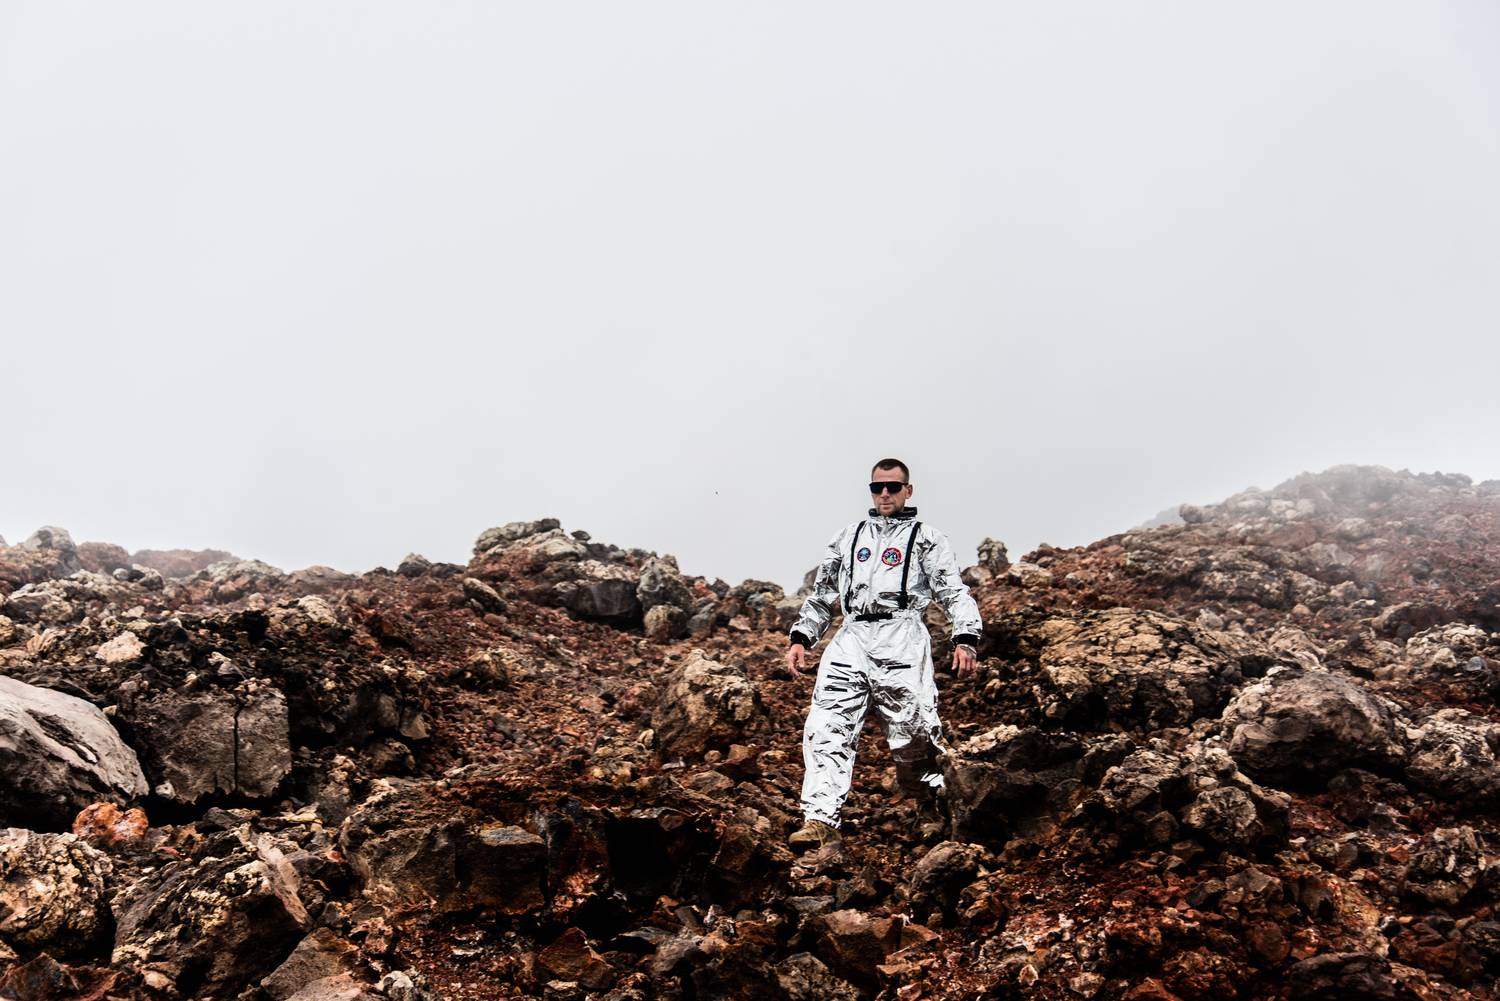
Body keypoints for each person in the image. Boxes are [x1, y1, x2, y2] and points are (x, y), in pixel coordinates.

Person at [785, 458, 982, 853]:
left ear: (909, 490)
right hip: (851, 636)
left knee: (914, 730)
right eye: (878, 487)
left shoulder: (927, 539)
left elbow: (951, 590)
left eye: (893, 486)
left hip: (902, 634)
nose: (885, 494)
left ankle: (928, 803)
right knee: (827, 726)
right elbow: (823, 593)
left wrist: (965, 637)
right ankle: (820, 820)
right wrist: (802, 637)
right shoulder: (849, 537)